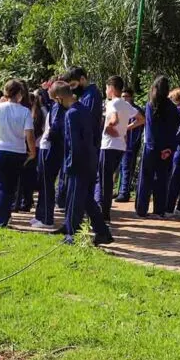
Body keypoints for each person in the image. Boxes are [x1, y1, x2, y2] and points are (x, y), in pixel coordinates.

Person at [50, 81, 113, 245]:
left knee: (76, 199)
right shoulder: (84, 109)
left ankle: (72, 234)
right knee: (86, 199)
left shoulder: (71, 114)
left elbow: (74, 143)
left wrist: (70, 165)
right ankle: (103, 232)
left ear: (59, 98)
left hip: (78, 163)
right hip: (90, 159)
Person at [0, 80, 37, 227]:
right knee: (11, 187)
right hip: (18, 152)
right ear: (19, 94)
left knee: (1, 186)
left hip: (0, 150)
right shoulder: (25, 111)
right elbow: (29, 134)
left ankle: (2, 218)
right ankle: (4, 217)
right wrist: (32, 152)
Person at [94, 77, 145, 222]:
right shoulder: (126, 104)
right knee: (108, 179)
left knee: (104, 180)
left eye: (106, 88)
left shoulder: (112, 103)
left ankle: (103, 214)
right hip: (120, 146)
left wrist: (110, 127)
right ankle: (105, 213)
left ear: (111, 88)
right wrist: (126, 129)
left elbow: (114, 119)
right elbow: (141, 119)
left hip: (109, 145)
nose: (105, 91)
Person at [136, 76, 180, 218]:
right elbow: (174, 129)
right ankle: (159, 210)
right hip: (166, 149)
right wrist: (168, 148)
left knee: (145, 179)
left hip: (151, 147)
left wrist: (153, 146)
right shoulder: (173, 108)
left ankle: (141, 209)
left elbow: (150, 129)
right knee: (162, 180)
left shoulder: (150, 105)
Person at [32, 82, 66, 230]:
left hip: (50, 149)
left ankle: (47, 218)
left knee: (47, 184)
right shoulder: (55, 106)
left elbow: (56, 129)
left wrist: (48, 139)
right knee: (43, 183)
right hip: (47, 147)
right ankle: (40, 215)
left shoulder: (60, 108)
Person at [15, 93, 44, 212]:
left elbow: (33, 133)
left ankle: (24, 202)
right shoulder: (38, 113)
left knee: (24, 177)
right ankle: (27, 201)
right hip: (34, 147)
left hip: (30, 147)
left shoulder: (35, 114)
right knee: (28, 177)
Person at [115, 88, 145, 202]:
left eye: (126, 96)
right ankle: (120, 191)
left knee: (127, 167)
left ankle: (124, 192)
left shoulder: (136, 110)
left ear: (131, 97)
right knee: (121, 167)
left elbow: (141, 122)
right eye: (122, 96)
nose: (124, 98)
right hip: (120, 142)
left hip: (131, 143)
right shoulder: (120, 109)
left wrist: (127, 128)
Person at [63, 66, 102, 148]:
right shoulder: (84, 95)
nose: (72, 89)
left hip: (88, 145)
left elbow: (88, 122)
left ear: (82, 79)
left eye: (73, 84)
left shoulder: (91, 96)